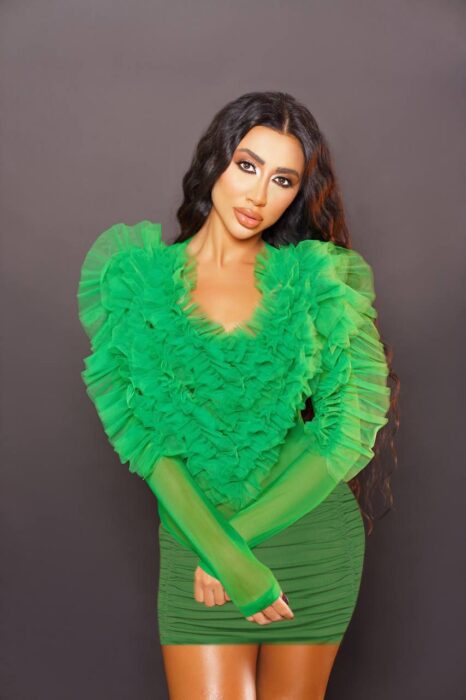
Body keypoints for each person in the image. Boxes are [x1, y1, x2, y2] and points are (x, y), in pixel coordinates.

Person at [77, 91, 396, 699]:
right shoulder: (133, 280)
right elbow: (149, 444)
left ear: (297, 194)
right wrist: (223, 554)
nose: (258, 195)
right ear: (215, 162)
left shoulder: (318, 281)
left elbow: (343, 436)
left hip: (307, 538)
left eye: (283, 180)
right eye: (247, 166)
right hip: (196, 544)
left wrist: (236, 544)